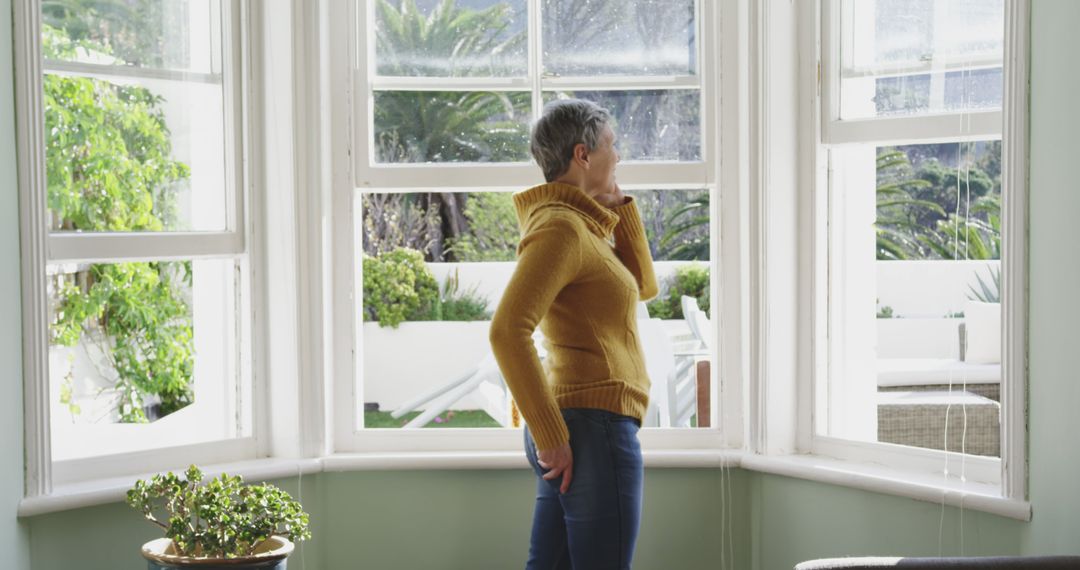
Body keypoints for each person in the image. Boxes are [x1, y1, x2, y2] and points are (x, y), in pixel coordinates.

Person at [489, 98, 659, 570]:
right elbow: (507, 331)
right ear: (583, 155)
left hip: (579, 425)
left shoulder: (579, 224)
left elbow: (642, 286)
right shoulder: (562, 228)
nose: (618, 155)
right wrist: (549, 438)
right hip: (590, 428)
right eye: (611, 145)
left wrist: (620, 207)